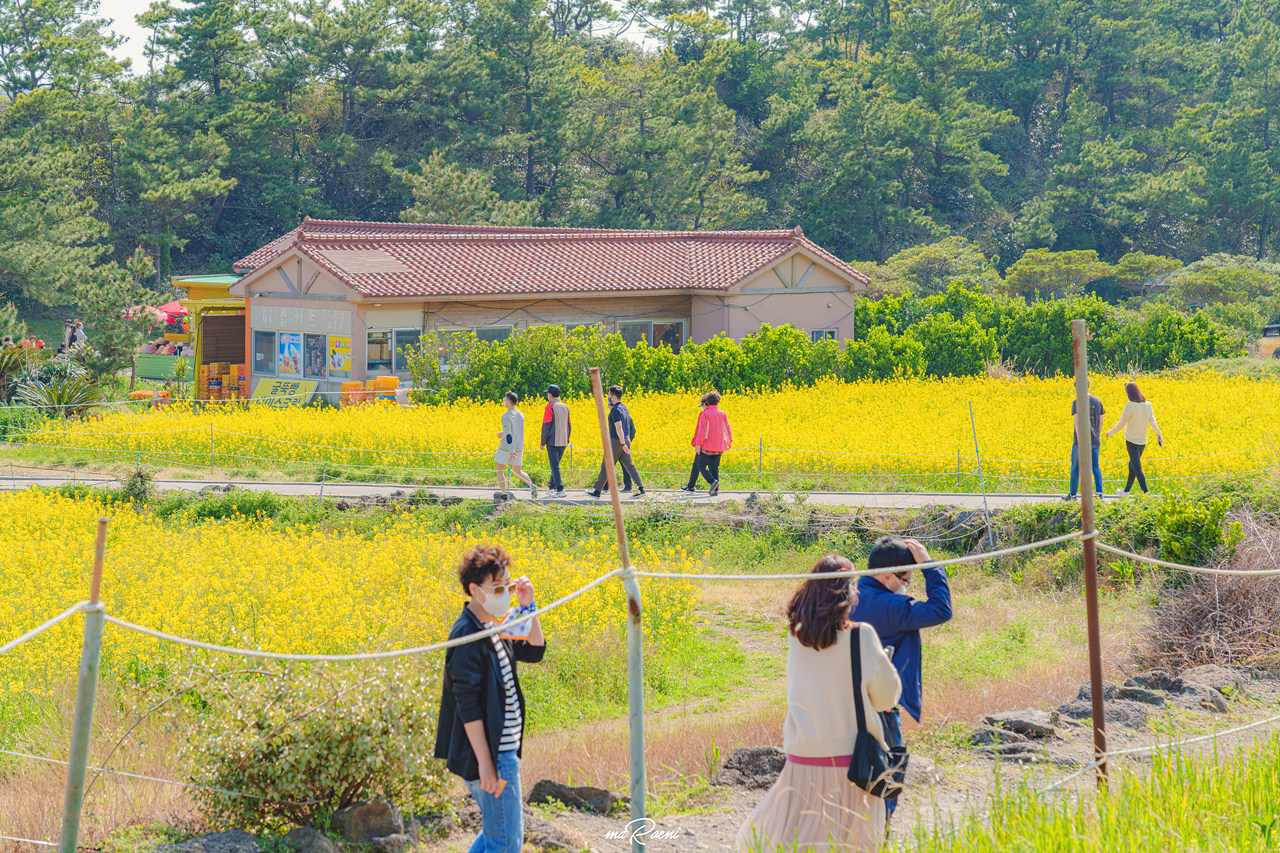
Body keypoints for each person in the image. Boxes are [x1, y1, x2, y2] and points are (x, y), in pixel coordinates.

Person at [735, 554, 901, 852]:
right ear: (848, 595)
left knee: (791, 839)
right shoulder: (861, 636)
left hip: (803, 758)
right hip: (852, 762)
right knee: (852, 843)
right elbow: (888, 697)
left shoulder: (798, 636)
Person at [435, 544, 546, 853]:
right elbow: (467, 706)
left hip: (503, 751)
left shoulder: (496, 625)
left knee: (496, 836)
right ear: (475, 589)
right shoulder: (467, 635)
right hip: (491, 755)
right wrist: (487, 764)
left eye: (508, 587)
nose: (505, 595)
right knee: (507, 843)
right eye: (498, 588)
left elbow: (534, 651)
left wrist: (529, 605)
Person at [851, 536, 952, 825]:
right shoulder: (891, 606)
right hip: (882, 705)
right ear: (886, 576)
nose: (906, 585)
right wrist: (930, 566)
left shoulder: (849, 594)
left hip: (844, 699)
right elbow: (941, 610)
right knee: (888, 777)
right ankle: (882, 830)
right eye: (905, 579)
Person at [1105, 381, 1163, 495]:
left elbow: (1121, 423)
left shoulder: (1130, 405)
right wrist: (1158, 434)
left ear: (1130, 393)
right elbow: (1153, 421)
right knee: (1132, 466)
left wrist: (1110, 432)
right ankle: (1126, 491)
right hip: (1142, 442)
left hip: (1131, 441)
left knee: (1137, 467)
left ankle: (1146, 493)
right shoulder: (1148, 405)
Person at [587, 385, 645, 499]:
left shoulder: (615, 410)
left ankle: (597, 492)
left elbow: (619, 427)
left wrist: (622, 444)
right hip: (626, 439)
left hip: (617, 441)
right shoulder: (624, 407)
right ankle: (641, 489)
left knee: (606, 465)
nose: (608, 396)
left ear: (613, 396)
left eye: (609, 394)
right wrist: (625, 443)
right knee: (630, 466)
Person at [681, 391, 733, 496]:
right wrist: (729, 441)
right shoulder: (723, 414)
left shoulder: (705, 414)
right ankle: (716, 490)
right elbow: (727, 429)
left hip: (707, 446)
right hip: (719, 445)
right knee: (714, 467)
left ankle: (712, 482)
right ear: (718, 402)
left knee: (700, 465)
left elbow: (702, 430)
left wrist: (698, 444)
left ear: (708, 401)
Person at [495, 391, 537, 499]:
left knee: (499, 469)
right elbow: (514, 430)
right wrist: (503, 433)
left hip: (507, 448)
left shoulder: (506, 416)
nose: (504, 401)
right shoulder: (520, 414)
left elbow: (509, 435)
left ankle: (504, 493)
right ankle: (531, 485)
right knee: (518, 471)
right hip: (518, 447)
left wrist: (511, 450)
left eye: (505, 399)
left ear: (509, 401)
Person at [1064, 392, 1105, 500]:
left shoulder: (1077, 402)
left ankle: (1073, 496)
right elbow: (1101, 422)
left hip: (1080, 442)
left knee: (1075, 467)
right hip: (1095, 440)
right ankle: (1099, 494)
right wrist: (1097, 435)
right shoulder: (1097, 401)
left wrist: (1081, 440)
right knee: (1095, 466)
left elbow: (1077, 423)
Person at [539, 385, 571, 498]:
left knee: (554, 466)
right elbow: (569, 425)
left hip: (552, 441)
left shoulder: (549, 407)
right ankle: (551, 488)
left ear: (550, 395)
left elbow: (546, 426)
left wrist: (542, 442)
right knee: (556, 465)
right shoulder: (565, 407)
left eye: (548, 394)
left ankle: (560, 489)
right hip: (563, 440)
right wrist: (567, 439)